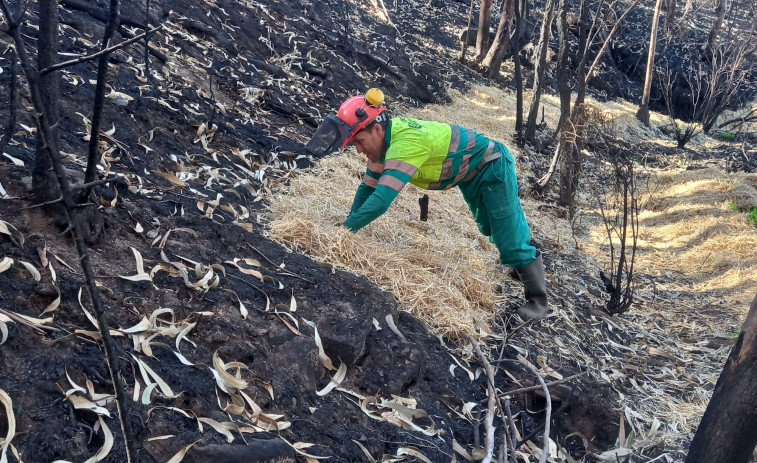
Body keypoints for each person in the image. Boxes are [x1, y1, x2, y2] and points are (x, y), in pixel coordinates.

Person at [306, 89, 548, 320]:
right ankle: (521, 260)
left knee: (507, 234)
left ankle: (538, 301)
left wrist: (344, 230)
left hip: (491, 165)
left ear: (377, 129)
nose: (358, 150)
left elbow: (380, 201)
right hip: (470, 175)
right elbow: (367, 189)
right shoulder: (383, 148)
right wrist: (346, 225)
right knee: (489, 227)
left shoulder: (405, 144)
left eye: (359, 141)